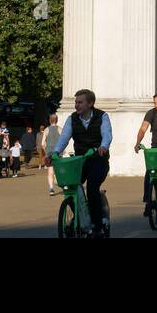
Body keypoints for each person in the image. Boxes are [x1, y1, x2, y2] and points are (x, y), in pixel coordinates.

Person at [50, 89, 112, 238]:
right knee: (71, 187)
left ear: (90, 103)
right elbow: (64, 137)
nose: (76, 105)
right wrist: (55, 152)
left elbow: (107, 134)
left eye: (80, 102)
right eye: (75, 102)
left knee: (91, 188)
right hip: (80, 161)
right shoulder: (72, 119)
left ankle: (97, 226)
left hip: (98, 160)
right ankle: (78, 216)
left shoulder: (102, 116)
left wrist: (103, 147)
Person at [44, 113, 61, 195]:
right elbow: (64, 141)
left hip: (49, 153)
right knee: (59, 170)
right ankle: (61, 184)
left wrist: (46, 150)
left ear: (49, 120)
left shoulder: (46, 129)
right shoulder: (60, 129)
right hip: (58, 153)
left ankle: (51, 188)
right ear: (56, 120)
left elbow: (42, 143)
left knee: (50, 171)